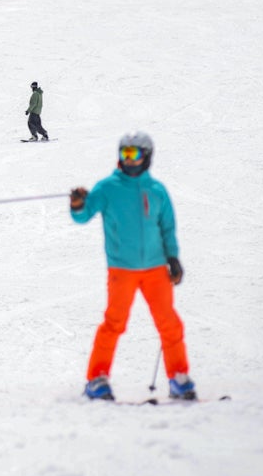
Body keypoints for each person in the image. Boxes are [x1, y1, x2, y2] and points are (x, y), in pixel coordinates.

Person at [70, 132, 194, 401]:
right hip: (122, 269)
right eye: (125, 153)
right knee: (114, 323)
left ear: (146, 156)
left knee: (169, 323)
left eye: (134, 154)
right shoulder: (107, 188)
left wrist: (173, 258)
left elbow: (167, 228)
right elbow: (83, 215)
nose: (129, 159)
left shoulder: (157, 190)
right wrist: (78, 204)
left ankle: (178, 377)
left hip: (155, 268)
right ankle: (96, 379)